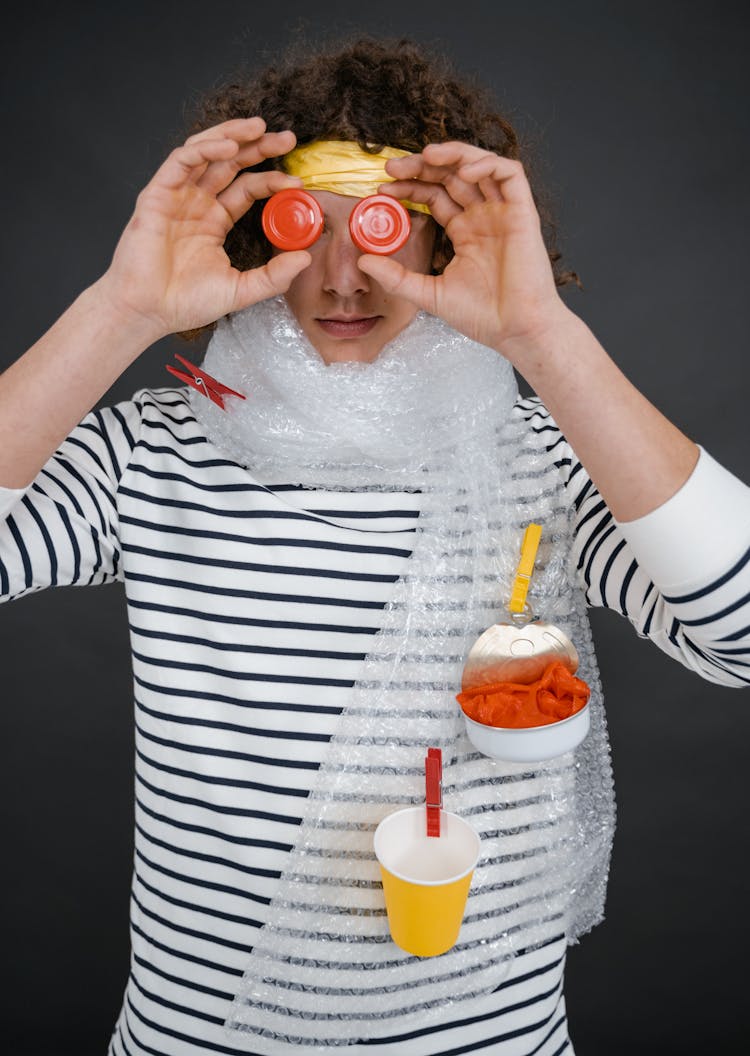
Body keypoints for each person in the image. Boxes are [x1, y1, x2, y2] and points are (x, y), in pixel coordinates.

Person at [1, 34, 748, 1056]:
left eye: (387, 234)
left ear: (442, 242)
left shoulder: (546, 459)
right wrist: (119, 310)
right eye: (310, 232)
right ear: (263, 237)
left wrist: (544, 337)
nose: (346, 278)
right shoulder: (158, 450)